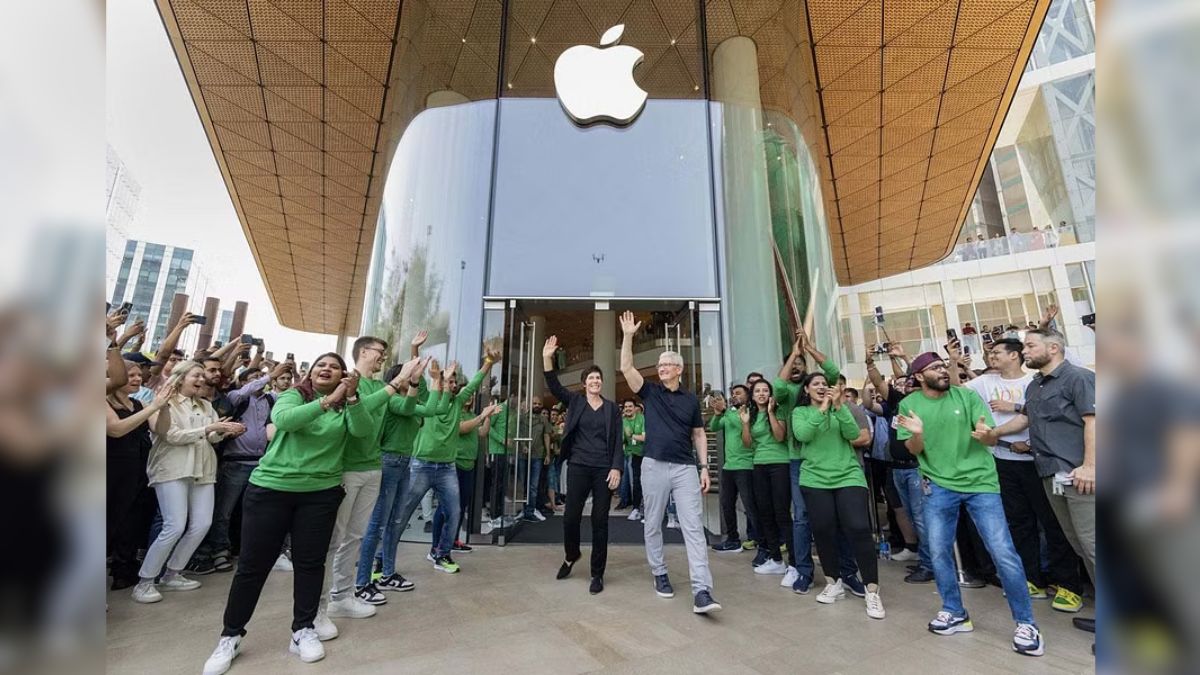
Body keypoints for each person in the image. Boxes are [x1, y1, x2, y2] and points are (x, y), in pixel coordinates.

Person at [201, 354, 413, 674]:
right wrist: (329, 401)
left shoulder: (349, 405)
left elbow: (361, 430)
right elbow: (286, 421)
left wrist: (352, 398)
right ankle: (231, 635)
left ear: (344, 375)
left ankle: (302, 629)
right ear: (311, 373)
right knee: (252, 567)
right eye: (320, 365)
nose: (325, 369)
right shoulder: (293, 396)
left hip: (320, 494)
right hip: (271, 490)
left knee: (311, 563)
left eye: (334, 366)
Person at [894, 352, 1044, 657]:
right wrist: (918, 434)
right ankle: (955, 611)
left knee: (1003, 551)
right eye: (934, 368)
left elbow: (987, 439)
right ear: (919, 376)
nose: (942, 370)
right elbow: (912, 449)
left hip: (980, 484)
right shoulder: (909, 405)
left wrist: (988, 435)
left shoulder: (967, 397)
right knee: (938, 551)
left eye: (942, 366)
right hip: (937, 485)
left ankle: (1026, 623)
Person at [984, 329, 1096, 624]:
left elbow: (1094, 422)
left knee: (1094, 543)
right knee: (1078, 542)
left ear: (1055, 348)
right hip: (1050, 474)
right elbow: (1025, 419)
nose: (1025, 351)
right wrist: (994, 433)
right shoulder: (1036, 385)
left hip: (1079, 474)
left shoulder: (1079, 378)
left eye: (1030, 345)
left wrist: (1091, 466)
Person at [965, 338, 1082, 610]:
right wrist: (994, 436)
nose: (991, 356)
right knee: (1019, 522)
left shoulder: (1036, 382)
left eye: (997, 352)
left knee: (1053, 524)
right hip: (1004, 462)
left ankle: (1067, 584)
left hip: (1038, 462)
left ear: (1015, 355)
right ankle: (1032, 579)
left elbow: (1038, 419)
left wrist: (1026, 441)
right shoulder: (999, 383)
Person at [618, 311, 721, 614]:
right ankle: (659, 572)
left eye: (666, 365)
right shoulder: (650, 393)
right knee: (653, 522)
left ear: (679, 369)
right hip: (653, 466)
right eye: (659, 364)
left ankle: (702, 590)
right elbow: (626, 367)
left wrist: (704, 467)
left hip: (685, 468)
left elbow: (699, 434)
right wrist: (627, 336)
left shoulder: (690, 400)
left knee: (692, 527)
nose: (661, 368)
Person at [134, 361, 245, 604]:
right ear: (180, 377)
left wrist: (224, 430)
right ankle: (144, 582)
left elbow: (212, 437)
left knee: (202, 524)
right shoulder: (163, 402)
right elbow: (169, 435)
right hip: (172, 468)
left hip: (203, 469)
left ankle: (173, 573)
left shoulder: (206, 405)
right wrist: (209, 429)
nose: (202, 380)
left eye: (202, 377)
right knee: (173, 525)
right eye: (196, 375)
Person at [383, 345, 499, 575]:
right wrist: (415, 347)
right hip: (422, 465)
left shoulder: (457, 402)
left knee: (454, 512)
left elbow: (475, 382)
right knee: (401, 514)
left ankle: (442, 554)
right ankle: (382, 560)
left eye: (455, 382)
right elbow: (416, 376)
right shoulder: (428, 398)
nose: (453, 385)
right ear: (440, 381)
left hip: (447, 468)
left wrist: (489, 361)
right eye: (449, 380)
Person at [773, 329, 860, 594]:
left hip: (834, 464)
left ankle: (848, 572)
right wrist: (793, 355)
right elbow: (778, 384)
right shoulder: (789, 395)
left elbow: (832, 372)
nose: (797, 368)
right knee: (802, 518)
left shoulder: (822, 388)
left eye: (801, 365)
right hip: (800, 463)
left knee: (839, 519)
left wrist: (808, 348)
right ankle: (804, 571)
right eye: (793, 365)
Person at [792, 374, 885, 619]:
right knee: (823, 530)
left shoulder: (841, 409)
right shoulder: (800, 413)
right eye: (816, 384)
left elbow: (853, 433)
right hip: (814, 478)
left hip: (848, 475)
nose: (822, 387)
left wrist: (837, 407)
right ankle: (833, 582)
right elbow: (803, 435)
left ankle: (872, 590)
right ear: (807, 390)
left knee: (858, 528)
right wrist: (822, 409)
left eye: (825, 384)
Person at [191, 360, 295, 575]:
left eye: (261, 380)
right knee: (224, 511)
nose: (258, 384)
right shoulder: (235, 397)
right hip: (235, 463)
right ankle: (219, 550)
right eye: (253, 379)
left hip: (260, 463)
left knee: (260, 512)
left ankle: (258, 550)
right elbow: (244, 391)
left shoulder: (270, 400)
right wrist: (268, 375)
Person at [539, 336, 623, 594]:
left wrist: (616, 467)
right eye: (591, 378)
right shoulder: (575, 402)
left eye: (598, 378)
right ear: (584, 383)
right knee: (570, 518)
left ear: (601, 382)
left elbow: (618, 440)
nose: (595, 381)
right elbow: (554, 386)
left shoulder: (611, 409)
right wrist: (547, 357)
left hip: (603, 470)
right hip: (578, 466)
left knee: (600, 521)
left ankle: (597, 574)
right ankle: (571, 554)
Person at [359, 342, 439, 593]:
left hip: (405, 462)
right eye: (408, 376)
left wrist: (434, 381)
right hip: (389, 461)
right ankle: (363, 580)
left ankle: (387, 573)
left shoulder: (409, 400)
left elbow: (433, 408)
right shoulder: (391, 400)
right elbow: (406, 407)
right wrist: (414, 381)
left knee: (396, 520)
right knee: (378, 522)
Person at [324, 336, 395, 615]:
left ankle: (342, 597)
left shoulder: (379, 386)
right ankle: (323, 600)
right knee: (336, 536)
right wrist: (394, 386)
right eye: (380, 353)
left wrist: (409, 383)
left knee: (355, 535)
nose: (382, 358)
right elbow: (360, 413)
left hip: (373, 467)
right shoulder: (347, 381)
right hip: (347, 468)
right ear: (363, 352)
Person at [106, 361, 169, 590]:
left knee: (128, 524)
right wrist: (153, 407)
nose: (136, 379)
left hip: (136, 472)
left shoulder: (139, 403)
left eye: (137, 375)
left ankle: (123, 569)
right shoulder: (101, 402)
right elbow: (117, 429)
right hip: (108, 471)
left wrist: (164, 406)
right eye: (129, 375)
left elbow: (161, 430)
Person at [432, 397, 500, 556]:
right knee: (445, 507)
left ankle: (453, 541)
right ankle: (436, 546)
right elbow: (461, 428)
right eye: (467, 395)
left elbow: (482, 432)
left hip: (469, 465)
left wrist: (488, 417)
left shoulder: (472, 415)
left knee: (460, 507)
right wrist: (482, 416)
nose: (470, 398)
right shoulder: (453, 411)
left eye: (472, 396)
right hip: (454, 464)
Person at [739, 379, 793, 577]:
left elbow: (779, 436)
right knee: (765, 513)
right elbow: (747, 443)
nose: (761, 393)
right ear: (752, 396)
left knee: (782, 513)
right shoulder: (750, 415)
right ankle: (776, 558)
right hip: (759, 465)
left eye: (765, 390)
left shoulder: (778, 410)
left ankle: (794, 562)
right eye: (757, 391)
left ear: (770, 394)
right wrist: (745, 424)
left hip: (780, 464)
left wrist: (770, 412)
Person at [709, 386, 759, 553]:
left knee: (750, 507)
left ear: (747, 395)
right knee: (726, 504)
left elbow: (741, 425)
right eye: (733, 394)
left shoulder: (751, 412)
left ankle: (763, 542)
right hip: (729, 466)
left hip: (746, 466)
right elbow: (714, 427)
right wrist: (717, 413)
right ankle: (733, 539)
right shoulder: (730, 413)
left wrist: (724, 410)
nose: (734, 396)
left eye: (738, 393)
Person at [622, 398, 646, 521]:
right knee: (635, 482)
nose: (628, 409)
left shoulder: (641, 418)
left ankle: (646, 510)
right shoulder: (623, 421)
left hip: (646, 455)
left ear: (635, 408)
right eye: (626, 407)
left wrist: (632, 436)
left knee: (646, 482)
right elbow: (622, 440)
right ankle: (636, 509)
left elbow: (645, 437)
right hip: (633, 455)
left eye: (630, 406)